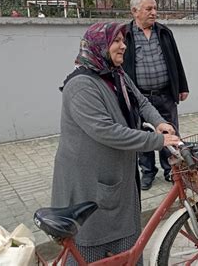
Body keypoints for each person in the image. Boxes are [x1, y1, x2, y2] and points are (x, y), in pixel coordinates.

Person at [51, 22, 181, 264]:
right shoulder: (81, 85)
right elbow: (107, 131)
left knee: (125, 243)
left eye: (124, 40)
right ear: (99, 46)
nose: (124, 46)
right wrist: (156, 140)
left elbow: (141, 102)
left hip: (115, 175)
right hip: (88, 181)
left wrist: (159, 122)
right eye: (116, 41)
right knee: (91, 247)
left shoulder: (116, 74)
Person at [122, 0, 189, 190]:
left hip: (165, 94)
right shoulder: (124, 34)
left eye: (154, 8)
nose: (154, 12)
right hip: (140, 97)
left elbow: (176, 60)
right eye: (148, 9)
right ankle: (148, 172)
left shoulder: (164, 32)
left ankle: (170, 170)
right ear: (135, 12)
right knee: (144, 136)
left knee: (169, 132)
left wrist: (182, 87)